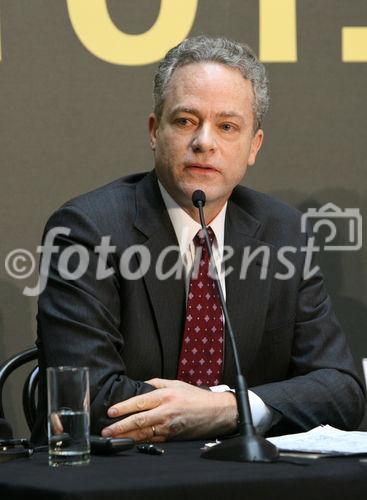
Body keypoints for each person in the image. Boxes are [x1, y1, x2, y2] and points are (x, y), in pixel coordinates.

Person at [31, 36, 365, 445]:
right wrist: (234, 409)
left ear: (253, 147)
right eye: (186, 120)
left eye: (227, 126)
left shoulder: (284, 233)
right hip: (130, 476)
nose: (204, 142)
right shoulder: (87, 231)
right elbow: (86, 397)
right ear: (155, 132)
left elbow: (343, 391)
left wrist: (226, 408)